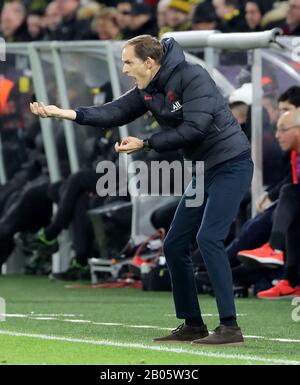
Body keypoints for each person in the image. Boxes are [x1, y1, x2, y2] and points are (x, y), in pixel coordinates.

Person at [30, 34, 253, 346]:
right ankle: (193, 324)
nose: (124, 69)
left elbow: (196, 128)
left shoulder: (192, 76)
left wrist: (146, 143)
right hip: (203, 170)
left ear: (149, 62)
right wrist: (64, 113)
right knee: (174, 244)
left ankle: (230, 327)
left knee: (208, 238)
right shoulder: (148, 88)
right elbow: (114, 111)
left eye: (128, 62)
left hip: (232, 164)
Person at [238, 110, 300, 299]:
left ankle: (274, 249)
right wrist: (270, 195)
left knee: (289, 193)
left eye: (283, 129)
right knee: (290, 202)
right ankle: (292, 281)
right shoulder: (294, 154)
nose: (277, 135)